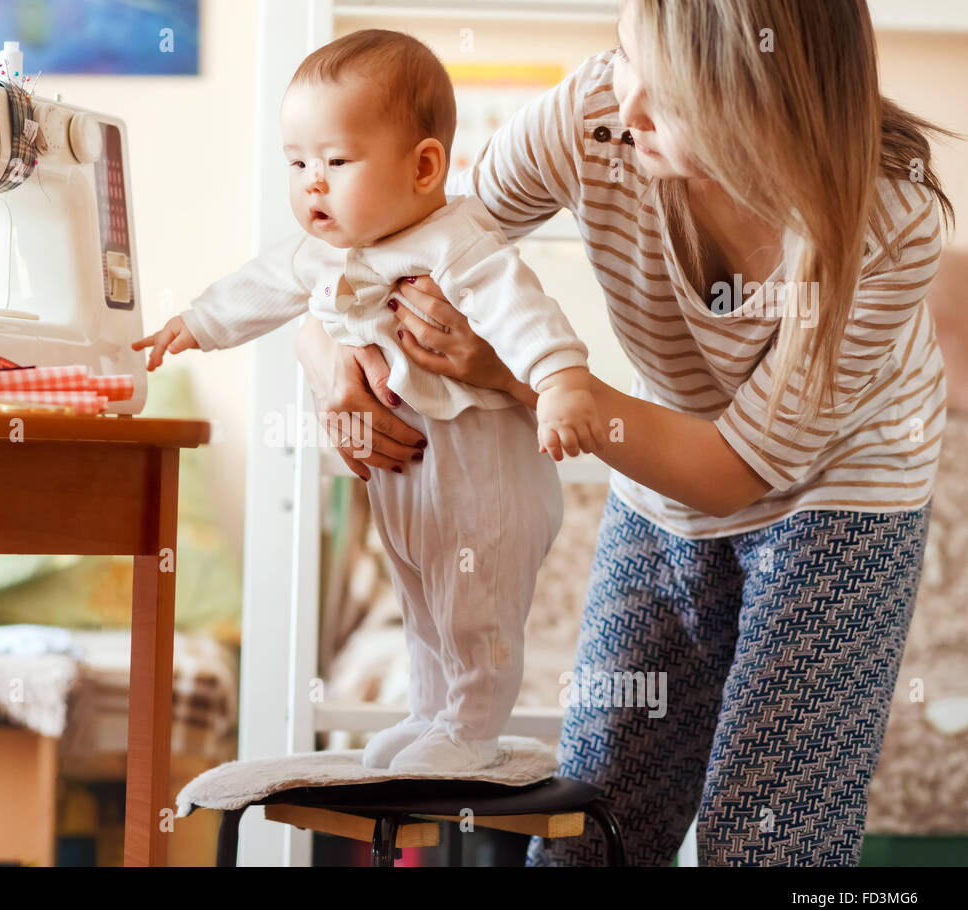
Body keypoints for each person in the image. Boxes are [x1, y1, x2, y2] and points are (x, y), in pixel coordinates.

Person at [295, 0, 953, 864]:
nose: (627, 101)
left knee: (766, 838)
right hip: (660, 462)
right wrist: (331, 364)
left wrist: (514, 377)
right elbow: (394, 241)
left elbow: (734, 472)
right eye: (623, 55)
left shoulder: (886, 225)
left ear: (760, 96)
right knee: (593, 824)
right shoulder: (596, 113)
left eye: (668, 89)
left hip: (840, 490)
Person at [133, 29, 606, 773]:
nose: (311, 183)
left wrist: (560, 382)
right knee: (419, 601)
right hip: (410, 478)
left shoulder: (458, 243)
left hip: (486, 479)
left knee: (473, 606)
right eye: (296, 163)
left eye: (336, 161)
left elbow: (526, 315)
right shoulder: (326, 252)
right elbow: (258, 287)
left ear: (423, 167)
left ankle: (474, 729)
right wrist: (193, 324)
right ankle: (429, 716)